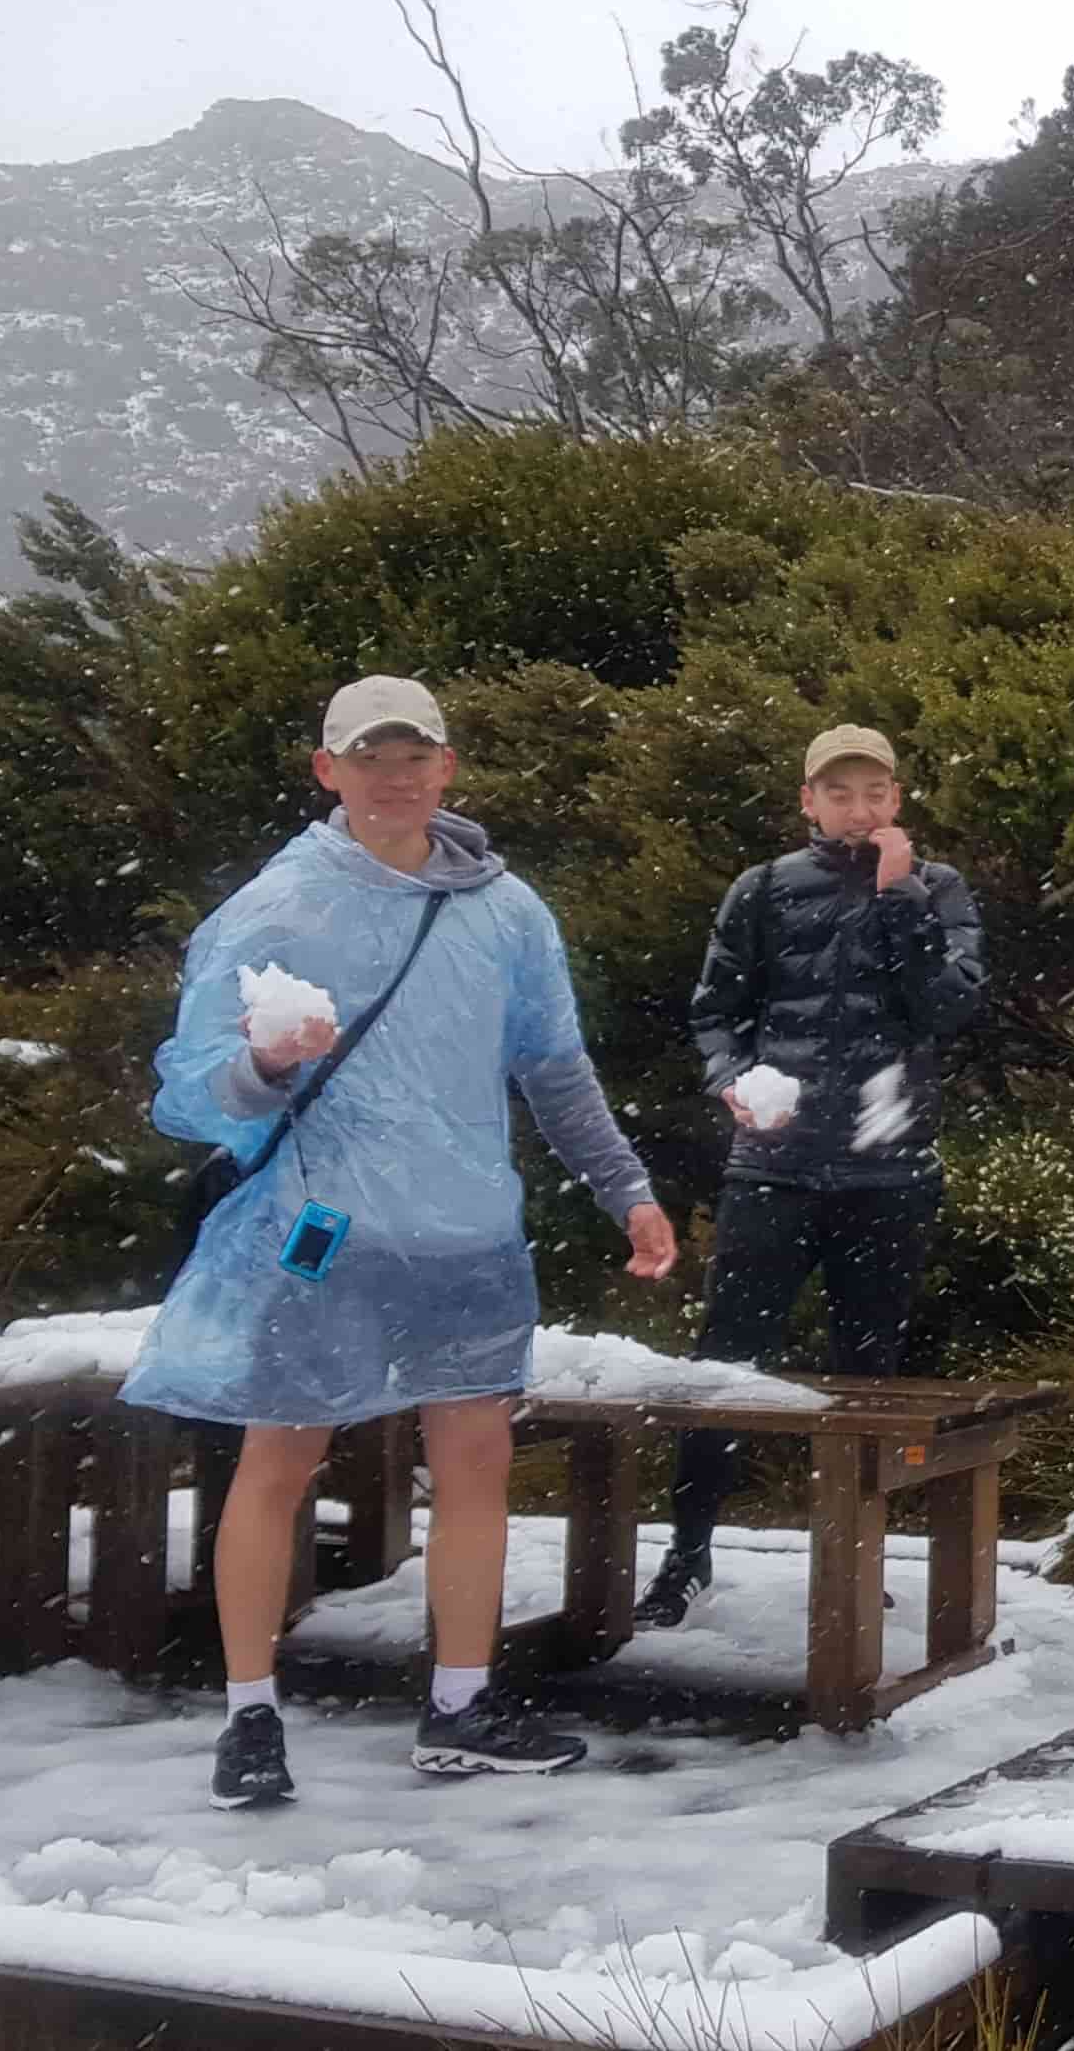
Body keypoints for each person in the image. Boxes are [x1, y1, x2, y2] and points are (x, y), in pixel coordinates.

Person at [127, 675, 678, 1808]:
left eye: (415, 753)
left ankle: (463, 1703)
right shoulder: (274, 912)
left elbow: (553, 1067)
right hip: (317, 1234)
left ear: (448, 766)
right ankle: (249, 1717)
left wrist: (625, 1190)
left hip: (469, 1235)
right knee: (278, 1461)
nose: (396, 774)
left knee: (475, 1464)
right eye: (370, 756)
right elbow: (188, 1095)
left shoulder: (508, 911)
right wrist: (267, 1065)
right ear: (327, 771)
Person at [634, 726, 988, 1628]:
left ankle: (856, 1563)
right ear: (808, 802)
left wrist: (898, 894)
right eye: (840, 794)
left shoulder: (937, 890)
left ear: (898, 799)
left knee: (867, 1381)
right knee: (725, 1369)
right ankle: (687, 1552)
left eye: (874, 792)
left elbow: (946, 1008)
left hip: (889, 1174)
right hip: (773, 1169)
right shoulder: (762, 890)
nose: (858, 809)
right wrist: (731, 1082)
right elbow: (716, 1014)